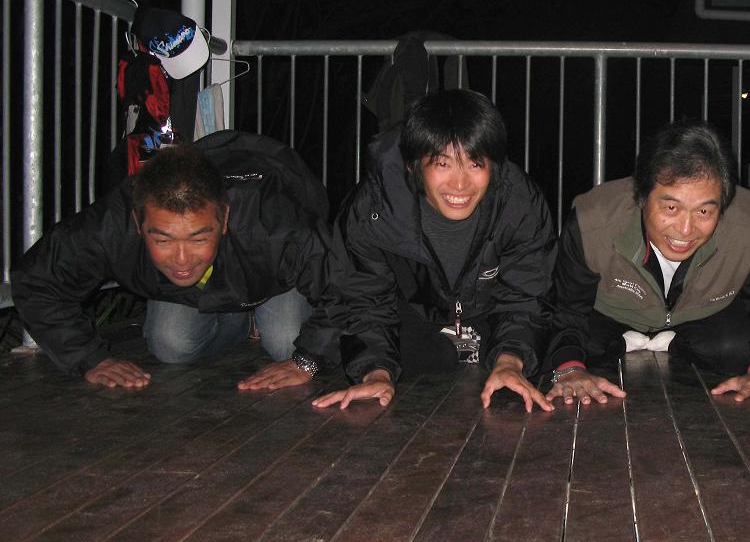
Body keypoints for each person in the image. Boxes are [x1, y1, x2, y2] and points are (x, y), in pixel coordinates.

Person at [12, 131, 340, 389]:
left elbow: (346, 283)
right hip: (218, 282)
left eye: (198, 238)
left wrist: (307, 361)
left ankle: (262, 314)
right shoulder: (112, 224)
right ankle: (242, 321)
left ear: (224, 220)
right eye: (163, 240)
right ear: (138, 223)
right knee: (171, 345)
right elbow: (38, 279)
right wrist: (88, 358)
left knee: (285, 343)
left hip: (273, 276)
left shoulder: (274, 223)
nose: (181, 259)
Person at [311, 89, 557, 412]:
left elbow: (527, 294)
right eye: (442, 164)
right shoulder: (374, 209)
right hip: (412, 315)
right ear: (414, 166)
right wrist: (375, 372)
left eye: (475, 164)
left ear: (493, 166)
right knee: (415, 354)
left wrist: (511, 362)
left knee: (550, 343)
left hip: (487, 313)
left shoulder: (519, 204)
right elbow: (363, 298)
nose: (460, 184)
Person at [542, 121, 750, 405]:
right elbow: (566, 305)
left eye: (704, 211)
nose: (686, 229)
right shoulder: (593, 220)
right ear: (642, 196)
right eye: (671, 207)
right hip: (613, 315)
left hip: (699, 316)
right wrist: (569, 369)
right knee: (574, 346)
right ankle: (627, 341)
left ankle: (670, 342)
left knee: (737, 350)